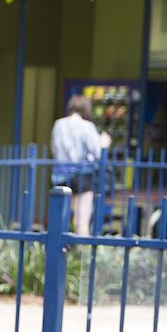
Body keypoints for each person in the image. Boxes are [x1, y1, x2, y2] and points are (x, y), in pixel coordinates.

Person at [51, 94, 111, 235]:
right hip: (83, 175)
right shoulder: (87, 126)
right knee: (82, 219)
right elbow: (97, 152)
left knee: (63, 218)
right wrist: (104, 144)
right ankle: (82, 254)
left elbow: (54, 148)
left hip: (61, 175)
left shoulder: (59, 124)